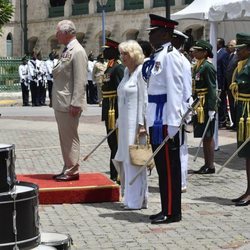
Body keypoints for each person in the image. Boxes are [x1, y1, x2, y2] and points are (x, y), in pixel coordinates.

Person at [145, 14, 183, 224]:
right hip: (156, 117)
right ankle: (166, 207)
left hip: (166, 119)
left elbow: (175, 90)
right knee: (162, 167)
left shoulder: (170, 56)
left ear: (166, 34)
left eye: (155, 32)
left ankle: (172, 211)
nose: (151, 35)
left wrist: (174, 122)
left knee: (169, 168)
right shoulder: (158, 55)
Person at [52, 19, 88, 181]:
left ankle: (72, 170)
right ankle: (68, 166)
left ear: (66, 33)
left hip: (69, 103)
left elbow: (81, 80)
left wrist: (76, 103)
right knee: (65, 137)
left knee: (70, 137)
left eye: (58, 32)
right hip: (62, 102)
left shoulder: (77, 51)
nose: (56, 35)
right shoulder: (68, 50)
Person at [114, 40, 148, 210]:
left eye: (125, 54)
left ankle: (137, 200)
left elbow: (144, 99)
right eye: (121, 54)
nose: (123, 57)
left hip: (136, 123)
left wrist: (142, 123)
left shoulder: (141, 72)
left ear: (134, 54)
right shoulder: (127, 72)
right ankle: (130, 197)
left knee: (136, 160)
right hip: (125, 123)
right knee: (126, 160)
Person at [229, 33, 250, 206]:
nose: (237, 52)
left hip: (249, 112)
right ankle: (248, 190)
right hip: (243, 111)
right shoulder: (242, 64)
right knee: (247, 154)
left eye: (240, 49)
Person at [191, 40, 217, 174]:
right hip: (199, 102)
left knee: (208, 135)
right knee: (204, 135)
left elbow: (212, 88)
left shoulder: (207, 66)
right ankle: (207, 164)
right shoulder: (198, 65)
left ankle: (210, 165)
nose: (194, 52)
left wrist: (212, 107)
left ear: (205, 52)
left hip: (206, 104)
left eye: (197, 50)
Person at [172, 29, 192, 193]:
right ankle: (177, 179)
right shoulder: (174, 58)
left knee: (180, 148)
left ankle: (182, 181)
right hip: (174, 110)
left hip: (179, 111)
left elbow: (186, 90)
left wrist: (185, 113)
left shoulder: (182, 61)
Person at [102, 38, 125, 182]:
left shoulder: (118, 67)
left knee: (116, 143)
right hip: (108, 107)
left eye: (107, 49)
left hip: (114, 109)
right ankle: (114, 173)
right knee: (112, 143)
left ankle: (117, 174)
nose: (104, 52)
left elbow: (121, 91)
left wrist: (120, 114)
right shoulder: (110, 66)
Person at [217, 38, 229, 128]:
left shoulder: (224, 53)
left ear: (220, 44)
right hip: (216, 81)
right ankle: (219, 118)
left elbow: (225, 69)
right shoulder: (216, 52)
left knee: (222, 102)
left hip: (221, 82)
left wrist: (225, 84)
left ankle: (223, 120)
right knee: (218, 101)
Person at [225, 39, 238, 130]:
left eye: (231, 45)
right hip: (229, 85)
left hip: (235, 86)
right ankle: (233, 122)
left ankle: (237, 123)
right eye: (229, 45)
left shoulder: (239, 56)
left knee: (235, 105)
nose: (229, 47)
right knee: (231, 105)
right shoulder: (230, 55)